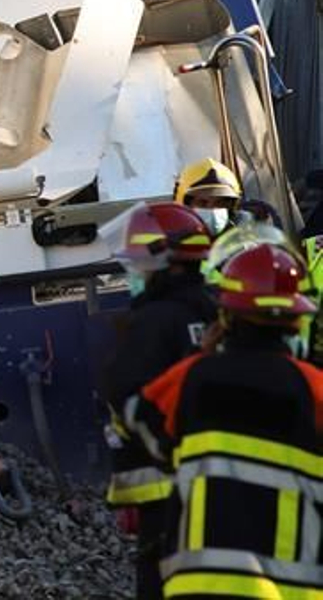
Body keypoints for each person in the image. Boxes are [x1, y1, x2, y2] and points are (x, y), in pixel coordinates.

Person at [123, 242, 323, 598]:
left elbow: (137, 420)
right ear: (295, 321)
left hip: (200, 583)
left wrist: (200, 354)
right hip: (291, 588)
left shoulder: (191, 377)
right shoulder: (313, 388)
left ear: (226, 315)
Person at [100, 203, 216, 600]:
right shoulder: (217, 315)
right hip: (222, 491)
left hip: (165, 498)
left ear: (167, 265)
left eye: (138, 265)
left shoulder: (150, 324)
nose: (134, 275)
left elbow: (127, 397)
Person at [174, 158, 242, 238]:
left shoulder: (246, 240)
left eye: (219, 203)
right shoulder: (167, 241)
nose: (212, 210)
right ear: (185, 205)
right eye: (202, 202)